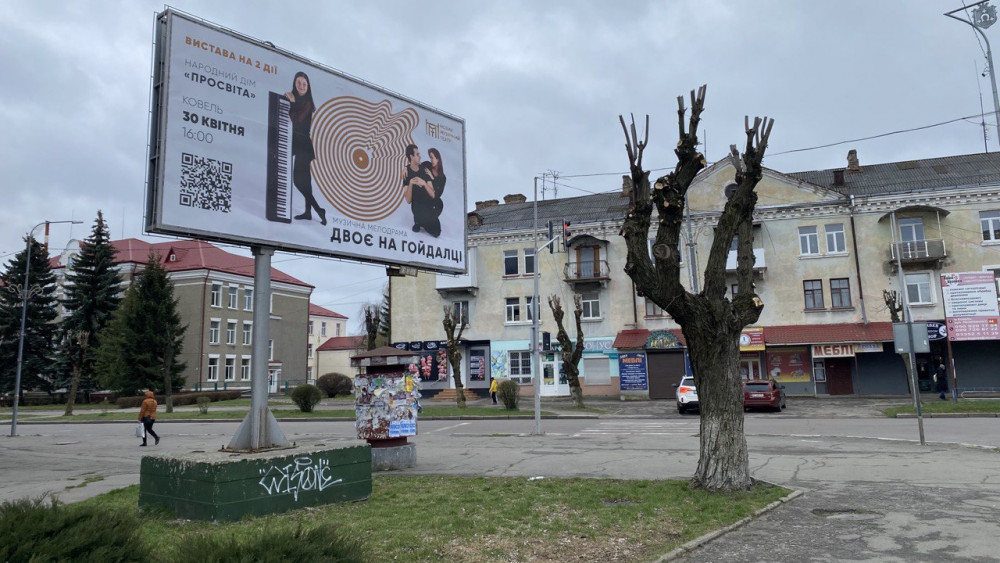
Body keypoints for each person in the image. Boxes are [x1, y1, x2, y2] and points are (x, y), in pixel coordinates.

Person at [285, 71, 326, 225]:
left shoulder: (307, 103)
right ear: (294, 84)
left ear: (308, 87)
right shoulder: (293, 99)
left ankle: (318, 209)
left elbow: (296, 120)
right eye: (298, 83)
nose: (301, 86)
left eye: (304, 84)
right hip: (297, 144)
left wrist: (292, 102)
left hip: (304, 146)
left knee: (298, 180)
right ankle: (309, 212)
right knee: (306, 181)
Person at [401, 144, 441, 237]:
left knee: (436, 232)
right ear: (411, 156)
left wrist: (424, 183)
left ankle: (424, 221)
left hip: (428, 208)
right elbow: (408, 200)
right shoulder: (406, 173)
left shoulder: (424, 170)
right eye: (417, 154)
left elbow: (433, 194)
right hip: (417, 209)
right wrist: (410, 183)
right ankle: (418, 222)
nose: (420, 156)